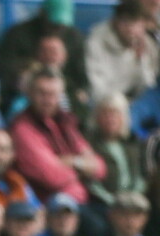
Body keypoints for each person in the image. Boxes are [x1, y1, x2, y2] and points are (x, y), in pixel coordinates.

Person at [9, 68, 106, 205]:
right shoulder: (22, 128)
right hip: (49, 206)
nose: (48, 100)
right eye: (42, 93)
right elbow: (52, 177)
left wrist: (72, 162)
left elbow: (100, 168)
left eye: (53, 94)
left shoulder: (66, 122)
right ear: (30, 93)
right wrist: (84, 170)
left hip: (82, 199)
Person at [85, 0, 158, 103]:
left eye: (136, 22)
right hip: (104, 103)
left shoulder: (148, 45)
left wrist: (141, 60)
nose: (131, 29)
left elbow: (149, 88)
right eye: (126, 22)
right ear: (115, 22)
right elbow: (96, 88)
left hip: (135, 105)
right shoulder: (96, 41)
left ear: (143, 25)